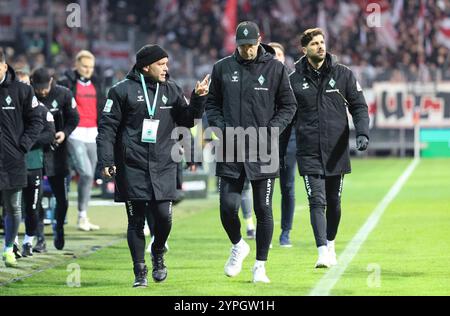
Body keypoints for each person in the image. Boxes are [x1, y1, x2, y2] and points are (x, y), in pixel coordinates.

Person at [97, 44, 209, 288]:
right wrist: (106, 160)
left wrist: (199, 99)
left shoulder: (172, 89)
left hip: (164, 162)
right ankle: (139, 272)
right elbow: (107, 129)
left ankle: (158, 251)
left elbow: (187, 120)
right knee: (136, 220)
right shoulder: (120, 91)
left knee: (164, 217)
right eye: (162, 64)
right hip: (132, 164)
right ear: (145, 66)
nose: (166, 68)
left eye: (167, 64)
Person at [205, 21, 297, 283]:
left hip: (263, 149)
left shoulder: (276, 69)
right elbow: (212, 105)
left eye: (251, 45)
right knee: (227, 207)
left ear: (260, 41)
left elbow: (288, 106)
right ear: (237, 43)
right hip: (231, 147)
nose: (247, 50)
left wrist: (272, 130)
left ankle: (260, 266)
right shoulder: (222, 68)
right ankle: (238, 245)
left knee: (263, 207)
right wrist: (222, 129)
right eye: (242, 46)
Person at [283, 28, 369, 268]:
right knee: (316, 200)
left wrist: (362, 132)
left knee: (334, 201)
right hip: (308, 151)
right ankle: (322, 251)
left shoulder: (344, 75)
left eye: (322, 42)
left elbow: (359, 106)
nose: (320, 46)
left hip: (336, 150)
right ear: (304, 50)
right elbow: (287, 116)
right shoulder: (293, 80)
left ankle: (330, 243)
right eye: (314, 44)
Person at [0, 49, 44, 267]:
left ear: (4, 66)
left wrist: (23, 145)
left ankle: (9, 248)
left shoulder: (23, 91)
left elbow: (37, 120)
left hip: (12, 159)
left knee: (13, 207)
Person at [31, 67, 80, 251]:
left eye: (44, 87)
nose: (42, 91)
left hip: (58, 153)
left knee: (63, 198)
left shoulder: (64, 94)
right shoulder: (28, 95)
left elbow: (74, 118)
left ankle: (58, 227)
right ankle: (40, 238)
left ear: (51, 81)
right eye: (38, 87)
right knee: (35, 198)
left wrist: (64, 133)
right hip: (36, 152)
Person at [58, 50, 103, 232]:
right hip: (74, 132)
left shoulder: (96, 83)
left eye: (90, 67)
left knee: (90, 176)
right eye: (84, 66)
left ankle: (82, 216)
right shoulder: (67, 82)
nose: (88, 70)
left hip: (92, 132)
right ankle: (67, 215)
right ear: (76, 65)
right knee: (84, 172)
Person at [16, 70, 55, 257]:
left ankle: (28, 241)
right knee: (12, 207)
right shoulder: (9, 110)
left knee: (32, 208)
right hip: (12, 166)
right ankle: (12, 243)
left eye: (25, 84)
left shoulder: (41, 110)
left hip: (33, 165)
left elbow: (49, 135)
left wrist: (25, 141)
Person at [268, 42, 297, 248]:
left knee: (287, 187)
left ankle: (286, 232)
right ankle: (265, 231)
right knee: (265, 188)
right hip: (266, 140)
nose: (276, 56)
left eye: (279, 53)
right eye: (272, 53)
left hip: (289, 140)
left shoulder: (292, 80)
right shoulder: (260, 79)